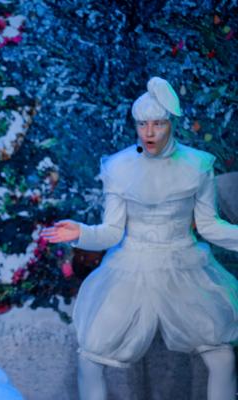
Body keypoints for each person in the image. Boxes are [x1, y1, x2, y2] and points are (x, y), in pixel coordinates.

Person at [41, 77, 237, 400]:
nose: (149, 133)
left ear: (170, 124)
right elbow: (112, 230)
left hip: (183, 265)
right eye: (142, 124)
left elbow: (209, 226)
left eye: (158, 124)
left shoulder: (197, 165)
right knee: (90, 356)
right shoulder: (120, 167)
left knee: (222, 356)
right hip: (131, 267)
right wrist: (82, 232)